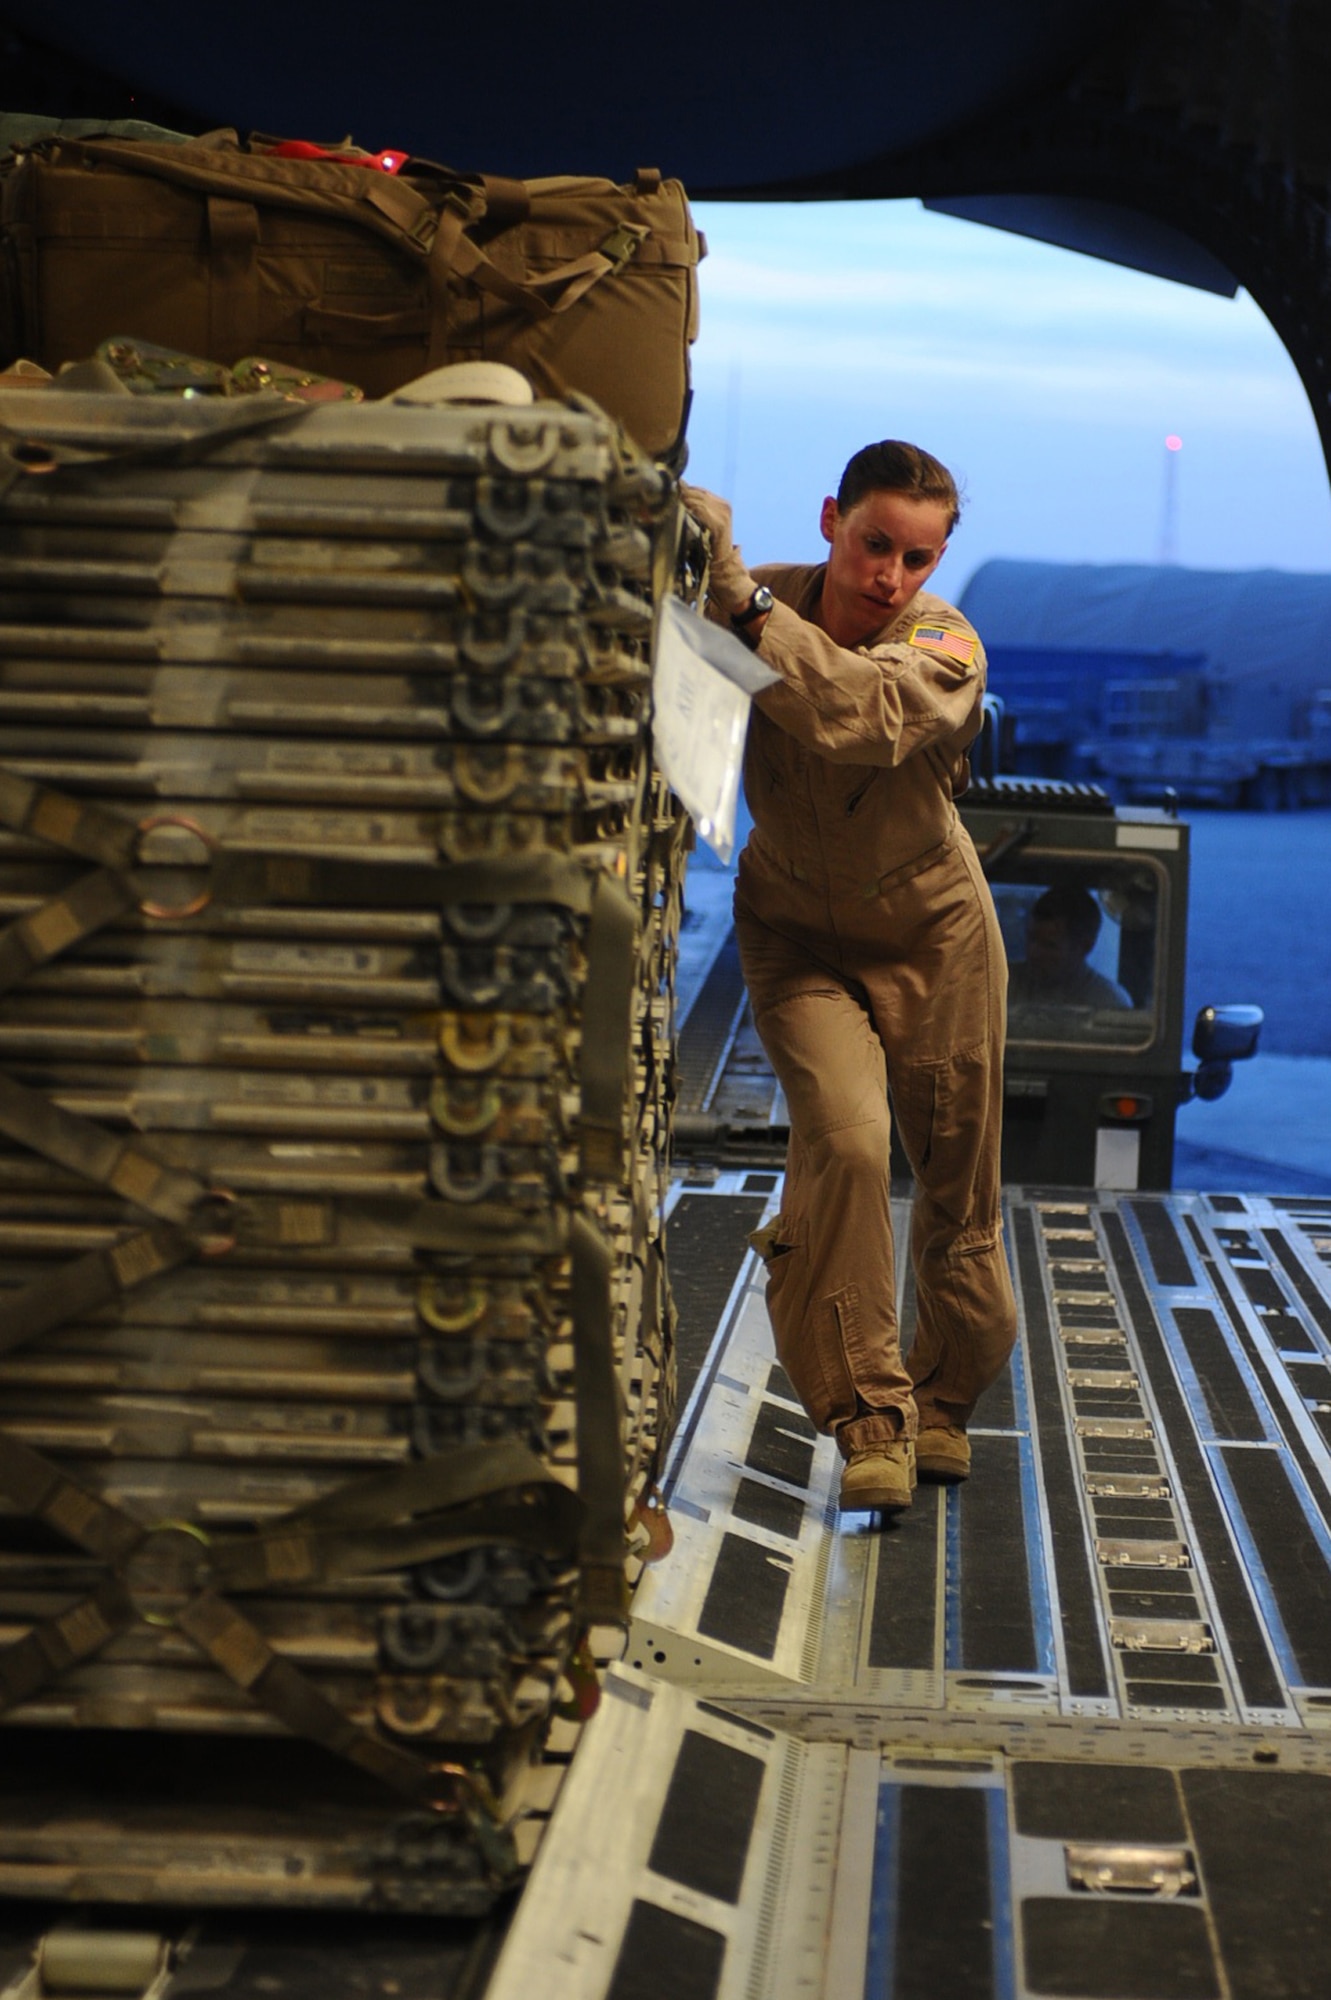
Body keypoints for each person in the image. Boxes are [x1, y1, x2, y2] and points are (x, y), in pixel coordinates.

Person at [682, 441, 1016, 1515]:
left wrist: (736, 609)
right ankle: (867, 1416)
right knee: (843, 1139)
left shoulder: (940, 643)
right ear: (831, 519)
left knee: (957, 1192)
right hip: (794, 930)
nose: (890, 576)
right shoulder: (747, 597)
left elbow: (860, 714)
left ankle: (944, 1399)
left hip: (934, 935)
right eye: (874, 543)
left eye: (917, 557)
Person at [1007, 884, 1132, 1010]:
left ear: (1085, 946)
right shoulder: (1002, 983)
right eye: (1031, 939)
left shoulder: (1109, 1003)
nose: (1033, 952)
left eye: (1049, 945)